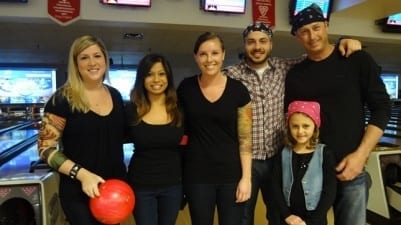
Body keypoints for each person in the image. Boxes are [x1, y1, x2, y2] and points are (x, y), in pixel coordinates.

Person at [223, 22, 362, 225]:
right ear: (244, 45)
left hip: (278, 157)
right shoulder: (231, 75)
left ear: (270, 44)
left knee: (279, 215)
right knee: (243, 216)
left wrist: (343, 40)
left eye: (263, 41)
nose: (257, 46)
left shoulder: (284, 66)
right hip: (246, 160)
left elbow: (319, 52)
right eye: (251, 42)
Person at [285, 4, 392, 225]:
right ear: (297, 36)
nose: (312, 35)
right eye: (304, 31)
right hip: (309, 171)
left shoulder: (357, 60)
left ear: (326, 25)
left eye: (316, 27)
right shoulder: (295, 75)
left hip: (350, 167)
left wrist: (361, 155)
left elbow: (382, 108)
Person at [37, 35, 127, 225]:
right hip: (78, 192)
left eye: (97, 56)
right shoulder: (61, 99)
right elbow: (45, 149)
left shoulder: (116, 95)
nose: (92, 62)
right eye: (84, 57)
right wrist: (83, 175)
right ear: (76, 63)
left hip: (113, 191)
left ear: (105, 59)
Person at [177, 32, 253, 225]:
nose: (209, 59)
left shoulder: (239, 91)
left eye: (214, 53)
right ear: (196, 57)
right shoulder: (186, 88)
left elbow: (245, 139)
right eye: (203, 54)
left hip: (231, 175)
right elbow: (179, 132)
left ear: (223, 54)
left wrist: (246, 178)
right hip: (197, 176)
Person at [125, 53, 185, 225]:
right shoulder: (131, 110)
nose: (156, 79)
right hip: (141, 186)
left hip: (173, 185)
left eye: (161, 73)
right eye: (149, 74)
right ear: (142, 79)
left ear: (168, 77)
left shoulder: (179, 109)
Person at [272, 101, 337, 225]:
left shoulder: (325, 154)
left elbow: (330, 190)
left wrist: (313, 221)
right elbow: (275, 186)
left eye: (306, 126)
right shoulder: (283, 153)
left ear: (315, 126)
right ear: (288, 127)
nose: (300, 131)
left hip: (315, 219)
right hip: (289, 219)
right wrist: (287, 215)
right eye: (295, 126)